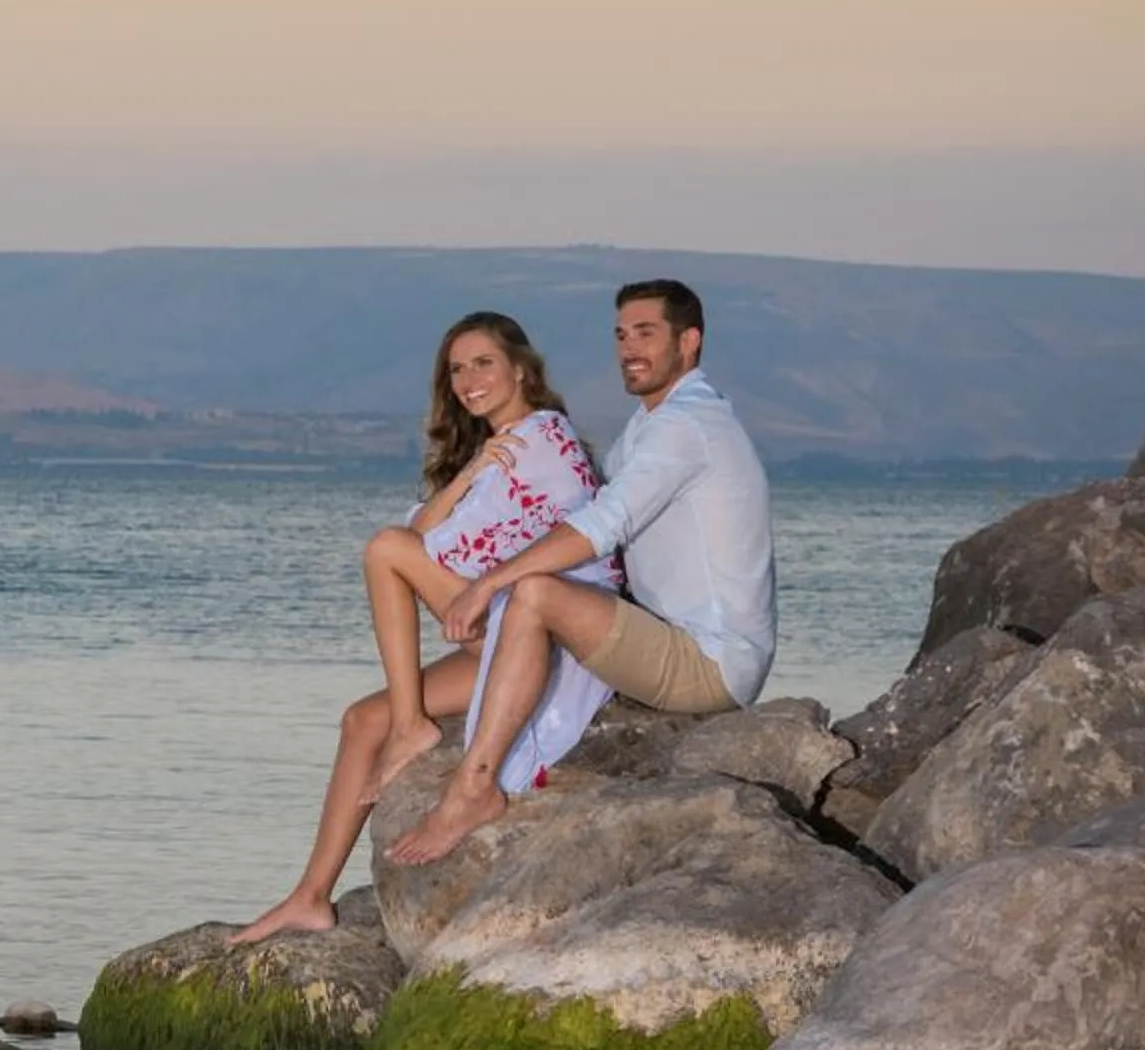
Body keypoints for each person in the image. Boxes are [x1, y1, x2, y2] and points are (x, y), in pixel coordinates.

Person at [230, 312, 619, 946]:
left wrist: (474, 480)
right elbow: (427, 533)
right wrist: (470, 472)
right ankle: (311, 896)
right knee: (362, 720)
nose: (467, 380)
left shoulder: (540, 437)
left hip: (545, 629)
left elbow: (418, 545)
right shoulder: (497, 450)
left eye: (482, 363)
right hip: (499, 628)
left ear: (522, 367)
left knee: (384, 550)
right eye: (456, 370)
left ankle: (413, 727)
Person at [383, 277, 776, 867]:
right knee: (530, 589)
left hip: (710, 663)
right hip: (666, 638)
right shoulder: (650, 426)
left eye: (646, 333)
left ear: (689, 341)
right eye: (620, 334)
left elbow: (602, 526)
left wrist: (490, 584)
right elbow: (579, 509)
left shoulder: (685, 428)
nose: (628, 348)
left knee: (535, 592)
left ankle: (473, 788)